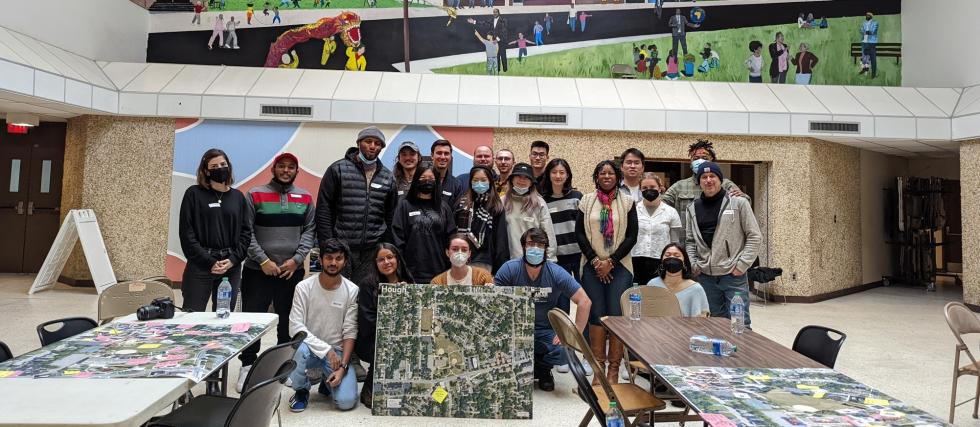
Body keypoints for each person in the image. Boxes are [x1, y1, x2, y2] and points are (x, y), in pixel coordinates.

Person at [237, 152, 315, 392]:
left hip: (290, 272)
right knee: (253, 320)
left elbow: (309, 231)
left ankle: (282, 365)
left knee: (287, 321)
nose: (286, 170)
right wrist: (263, 261)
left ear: (296, 171)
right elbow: (245, 232)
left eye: (291, 167)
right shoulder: (254, 194)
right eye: (282, 166)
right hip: (257, 270)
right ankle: (247, 366)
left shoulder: (305, 197)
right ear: (274, 168)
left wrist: (296, 260)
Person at [494, 228, 592, 392]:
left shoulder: (556, 272)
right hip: (515, 329)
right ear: (523, 247)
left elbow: (584, 301)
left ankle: (542, 369)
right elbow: (493, 302)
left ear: (546, 248)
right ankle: (527, 366)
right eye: (531, 244)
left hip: (546, 330)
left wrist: (573, 334)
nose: (535, 248)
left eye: (540, 244)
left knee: (564, 352)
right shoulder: (509, 269)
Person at [575, 160, 638, 384]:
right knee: (596, 314)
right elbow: (580, 234)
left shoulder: (628, 202)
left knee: (615, 315)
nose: (607, 176)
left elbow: (632, 236)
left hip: (620, 267)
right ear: (596, 177)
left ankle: (613, 370)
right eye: (602, 173)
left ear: (617, 177)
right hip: (592, 266)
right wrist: (595, 261)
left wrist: (610, 261)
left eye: (611, 173)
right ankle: (598, 368)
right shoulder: (586, 201)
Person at [315, 126, 398, 286]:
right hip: (341, 248)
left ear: (381, 147)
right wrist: (328, 245)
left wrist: (386, 247)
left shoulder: (388, 177)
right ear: (359, 143)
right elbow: (324, 209)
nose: (373, 146)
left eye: (377, 143)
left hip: (371, 250)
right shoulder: (337, 169)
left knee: (364, 296)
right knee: (337, 292)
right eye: (368, 141)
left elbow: (390, 216)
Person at [684, 162, 761, 328]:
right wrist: (694, 263)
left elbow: (754, 236)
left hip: (733, 276)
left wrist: (741, 265)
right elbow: (690, 240)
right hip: (706, 277)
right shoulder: (692, 208)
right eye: (704, 177)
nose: (709, 180)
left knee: (740, 324)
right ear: (699, 181)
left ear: (720, 180)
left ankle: (742, 355)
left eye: (713, 176)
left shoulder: (739, 203)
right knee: (715, 324)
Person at [287, 239, 359, 412]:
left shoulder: (352, 290)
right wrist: (326, 350)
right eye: (328, 258)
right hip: (310, 349)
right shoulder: (303, 287)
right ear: (320, 259)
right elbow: (295, 327)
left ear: (345, 261)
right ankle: (301, 390)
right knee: (298, 350)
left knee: (346, 402)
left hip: (337, 354)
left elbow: (350, 332)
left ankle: (327, 384)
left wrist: (342, 368)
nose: (333, 263)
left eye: (338, 258)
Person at [178, 148, 250, 313]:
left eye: (223, 164)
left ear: (229, 166)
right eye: (214, 166)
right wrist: (209, 262)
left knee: (223, 319)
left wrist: (233, 259)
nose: (220, 168)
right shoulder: (193, 194)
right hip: (200, 266)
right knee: (191, 317)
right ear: (206, 171)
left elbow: (246, 234)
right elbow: (187, 234)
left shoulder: (238, 197)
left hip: (230, 267)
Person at [356, 243, 414, 408]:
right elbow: (367, 320)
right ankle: (370, 388)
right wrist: (389, 301)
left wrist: (406, 295)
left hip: (403, 334)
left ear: (397, 259)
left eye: (390, 257)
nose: (386, 262)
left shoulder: (407, 280)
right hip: (373, 338)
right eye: (381, 259)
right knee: (386, 346)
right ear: (375, 263)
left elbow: (415, 314)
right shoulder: (367, 284)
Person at [662, 139, 748, 233]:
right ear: (690, 162)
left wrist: (742, 196)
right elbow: (661, 205)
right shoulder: (679, 186)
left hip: (717, 240)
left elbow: (744, 204)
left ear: (712, 161)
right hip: (686, 241)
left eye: (704, 158)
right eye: (695, 158)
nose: (700, 161)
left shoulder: (725, 184)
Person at [392, 163, 457, 284]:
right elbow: (398, 239)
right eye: (423, 179)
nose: (427, 182)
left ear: (437, 182)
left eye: (431, 179)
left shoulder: (444, 207)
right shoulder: (404, 205)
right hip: (412, 271)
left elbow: (451, 238)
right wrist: (401, 270)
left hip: (439, 270)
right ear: (416, 180)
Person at [454, 166, 510, 272]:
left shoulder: (496, 206)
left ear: (490, 182)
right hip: (460, 260)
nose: (479, 183)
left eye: (483, 180)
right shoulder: (461, 204)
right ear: (470, 182)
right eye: (475, 180)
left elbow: (500, 241)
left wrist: (499, 269)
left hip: (484, 263)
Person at [632, 173, 681, 288]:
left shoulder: (671, 212)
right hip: (635, 262)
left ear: (660, 188)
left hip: (661, 262)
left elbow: (674, 242)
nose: (649, 190)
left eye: (653, 187)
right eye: (644, 188)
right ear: (640, 190)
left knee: (657, 298)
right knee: (636, 298)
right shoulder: (632, 211)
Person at [504, 163, 557, 262]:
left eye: (526, 177)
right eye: (518, 176)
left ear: (532, 182)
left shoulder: (539, 203)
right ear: (511, 179)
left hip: (534, 261)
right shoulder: (502, 202)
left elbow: (548, 234)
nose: (522, 180)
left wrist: (550, 260)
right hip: (508, 262)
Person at [541, 159, 583, 282]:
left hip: (579, 255)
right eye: (554, 172)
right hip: (557, 257)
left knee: (584, 294)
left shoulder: (577, 196)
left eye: (562, 172)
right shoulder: (543, 200)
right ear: (548, 175)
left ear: (567, 175)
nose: (558, 176)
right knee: (562, 299)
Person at [646, 243, 709, 317]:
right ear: (661, 261)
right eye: (667, 255)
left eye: (677, 255)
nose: (672, 258)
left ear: (684, 262)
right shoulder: (652, 284)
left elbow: (702, 320)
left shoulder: (696, 289)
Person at [431, 139, 463, 207]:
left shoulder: (456, 185)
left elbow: (457, 213)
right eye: (439, 153)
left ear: (450, 156)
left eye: (446, 153)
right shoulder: (422, 180)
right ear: (432, 155)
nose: (443, 157)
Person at [860, 12, 878, 78]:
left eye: (868, 15)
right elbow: (861, 30)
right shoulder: (864, 23)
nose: (866, 16)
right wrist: (864, 32)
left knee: (873, 59)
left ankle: (873, 74)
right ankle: (864, 69)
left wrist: (865, 32)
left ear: (871, 16)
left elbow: (873, 31)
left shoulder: (875, 23)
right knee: (864, 58)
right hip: (864, 43)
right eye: (866, 15)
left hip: (871, 43)